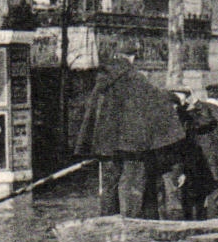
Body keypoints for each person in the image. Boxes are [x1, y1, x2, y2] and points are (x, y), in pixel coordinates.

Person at [75, 47, 187, 218]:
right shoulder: (136, 78)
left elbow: (91, 112)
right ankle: (131, 223)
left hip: (105, 145)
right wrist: (176, 99)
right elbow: (157, 99)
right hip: (132, 144)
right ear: (132, 58)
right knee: (132, 185)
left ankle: (107, 222)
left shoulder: (102, 80)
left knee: (108, 186)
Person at [179, 84, 218, 220]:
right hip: (217, 168)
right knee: (215, 204)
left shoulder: (191, 115)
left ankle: (193, 231)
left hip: (195, 167)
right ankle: (213, 232)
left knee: (195, 204)